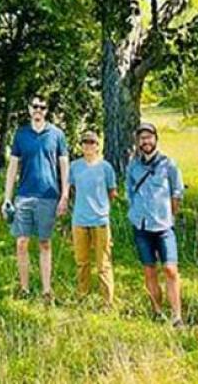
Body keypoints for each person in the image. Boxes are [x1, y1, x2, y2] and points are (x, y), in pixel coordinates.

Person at [1, 95, 70, 302]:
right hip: (23, 196)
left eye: (42, 106)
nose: (38, 109)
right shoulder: (21, 135)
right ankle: (24, 288)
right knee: (21, 242)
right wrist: (7, 197)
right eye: (35, 106)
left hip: (49, 196)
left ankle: (46, 291)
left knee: (45, 243)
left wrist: (64, 195)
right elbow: (13, 167)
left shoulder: (57, 135)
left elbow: (64, 166)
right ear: (29, 109)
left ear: (46, 110)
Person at [125, 122, 185, 326]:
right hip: (141, 225)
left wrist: (171, 214)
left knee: (170, 269)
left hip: (163, 226)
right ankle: (157, 311)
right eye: (142, 138)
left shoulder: (168, 164)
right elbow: (129, 190)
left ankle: (177, 316)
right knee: (149, 270)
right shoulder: (133, 165)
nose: (146, 142)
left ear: (155, 139)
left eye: (149, 137)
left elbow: (177, 192)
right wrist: (134, 212)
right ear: (138, 142)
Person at [68, 130, 117, 305]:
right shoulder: (74, 167)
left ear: (98, 146)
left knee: (103, 263)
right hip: (79, 220)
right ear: (81, 146)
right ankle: (83, 296)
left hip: (100, 220)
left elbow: (112, 192)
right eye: (85, 142)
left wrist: (101, 208)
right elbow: (71, 189)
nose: (88, 146)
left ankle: (107, 301)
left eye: (92, 142)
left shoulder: (106, 167)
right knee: (82, 261)